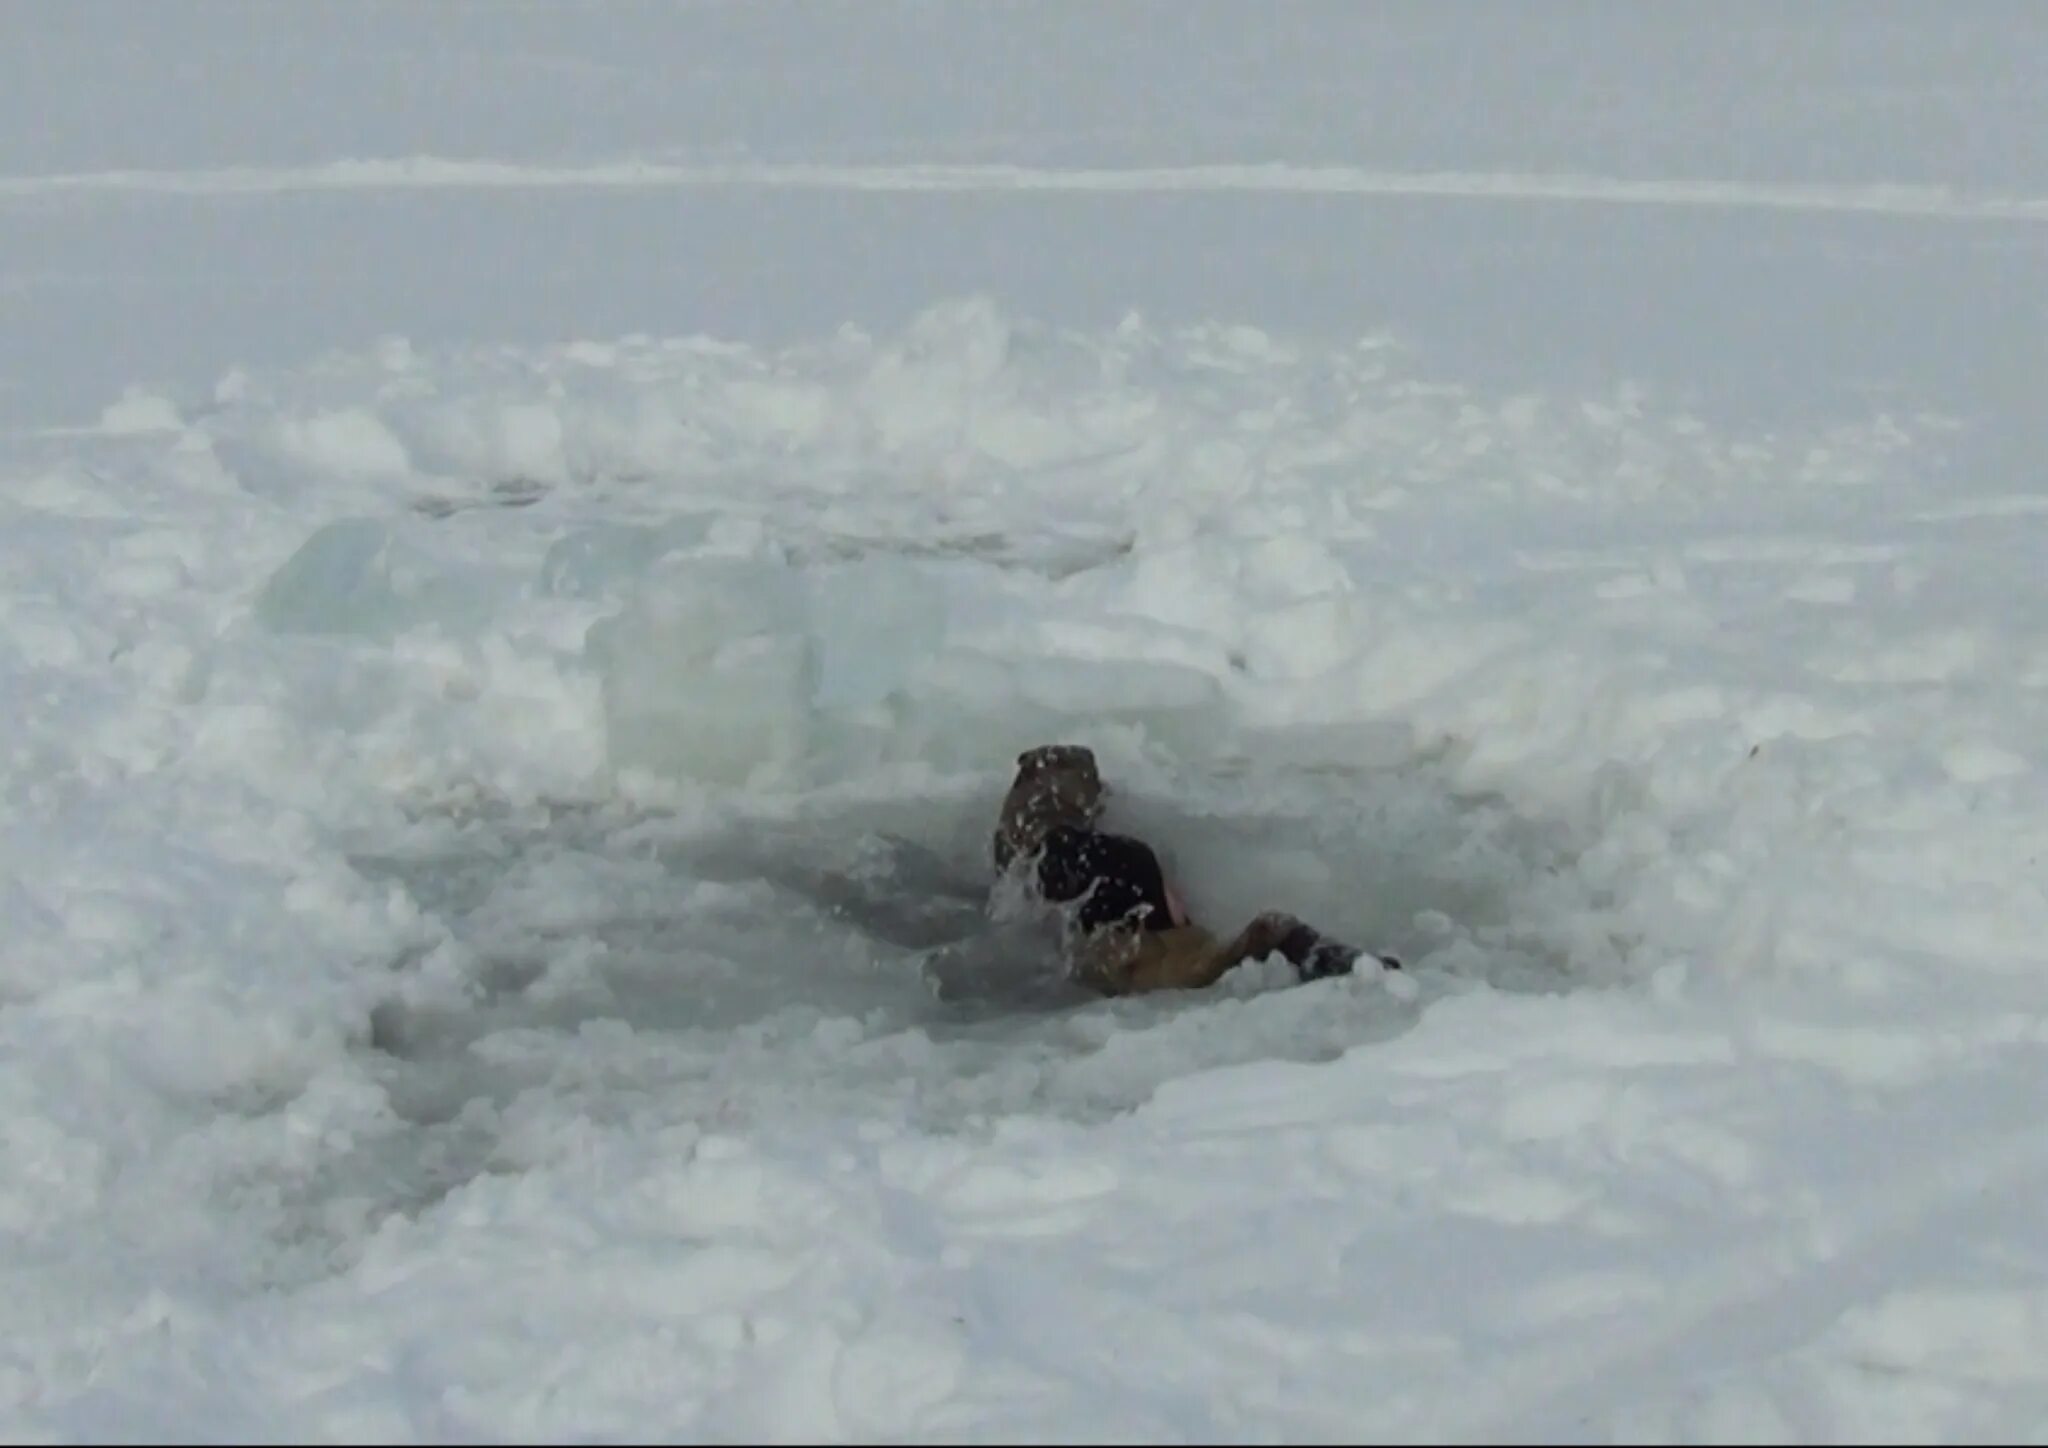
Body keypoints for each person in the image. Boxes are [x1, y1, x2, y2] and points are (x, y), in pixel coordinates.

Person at [991, 744, 1399, 996]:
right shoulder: (1156, 945)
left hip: (1084, 884)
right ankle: (1346, 966)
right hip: (1123, 908)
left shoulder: (1050, 873)